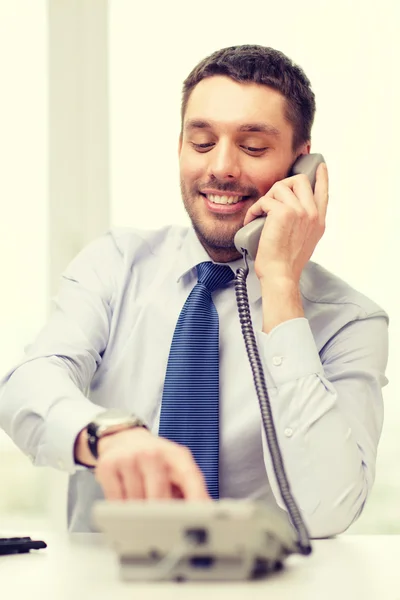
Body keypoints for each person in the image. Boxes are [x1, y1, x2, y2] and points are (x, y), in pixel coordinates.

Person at [0, 45, 388, 537]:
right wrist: (107, 436)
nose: (221, 168)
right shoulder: (116, 264)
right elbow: (27, 385)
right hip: (112, 581)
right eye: (202, 142)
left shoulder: (351, 321)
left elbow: (328, 511)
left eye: (252, 147)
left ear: (300, 165)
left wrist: (281, 286)